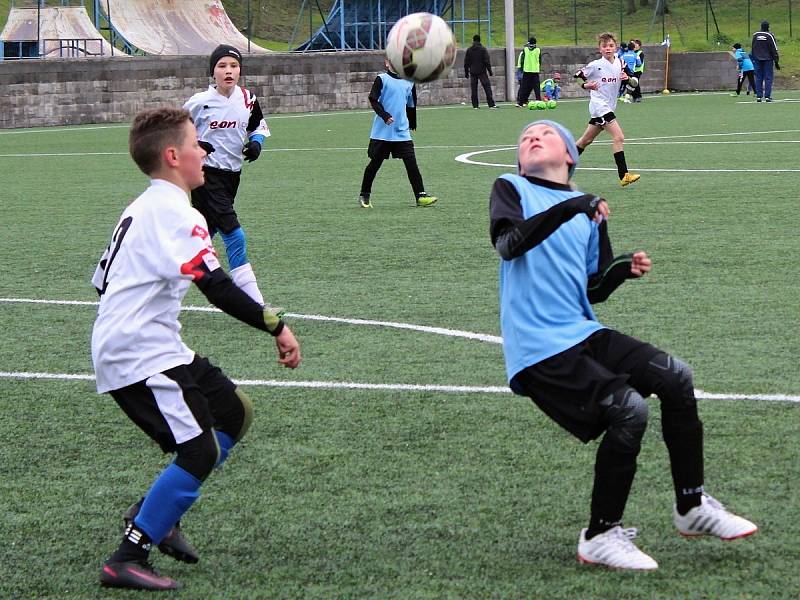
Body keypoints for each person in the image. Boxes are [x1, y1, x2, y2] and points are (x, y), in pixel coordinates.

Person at [489, 118, 758, 571]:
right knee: (629, 409)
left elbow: (592, 288)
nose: (532, 137)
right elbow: (509, 244)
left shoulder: (589, 210)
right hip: (539, 347)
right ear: (519, 159)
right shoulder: (511, 188)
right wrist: (574, 206)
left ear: (569, 155)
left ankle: (691, 507)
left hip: (582, 332)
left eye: (545, 133)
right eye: (524, 138)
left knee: (676, 376)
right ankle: (600, 534)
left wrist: (621, 270)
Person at [92, 107, 301, 591]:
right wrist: (276, 326)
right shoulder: (174, 212)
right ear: (172, 156)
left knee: (234, 413)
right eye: (195, 143)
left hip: (152, 342)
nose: (203, 150)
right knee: (200, 449)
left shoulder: (142, 206)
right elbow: (216, 286)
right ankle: (128, 553)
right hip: (138, 351)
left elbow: (102, 281)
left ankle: (154, 512)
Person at [184, 44, 271, 306]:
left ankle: (154, 294)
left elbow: (258, 126)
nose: (228, 71)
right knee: (234, 235)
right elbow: (176, 132)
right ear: (213, 72)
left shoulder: (248, 99)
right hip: (205, 176)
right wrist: (195, 146)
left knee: (199, 242)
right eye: (221, 66)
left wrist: (256, 144)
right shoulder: (199, 103)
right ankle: (256, 305)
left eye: (233, 66)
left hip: (232, 177)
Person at [358, 60, 437, 208]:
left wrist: (412, 123)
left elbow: (411, 104)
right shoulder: (382, 79)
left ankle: (420, 196)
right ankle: (364, 194)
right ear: (387, 63)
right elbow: (373, 99)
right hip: (382, 133)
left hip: (401, 132)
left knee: (411, 163)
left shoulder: (409, 82)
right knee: (374, 164)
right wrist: (385, 115)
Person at [573, 32, 640, 187]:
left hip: (608, 105)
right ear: (600, 49)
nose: (608, 48)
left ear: (615, 47)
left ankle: (562, 165)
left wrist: (628, 79)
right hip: (599, 105)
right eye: (604, 46)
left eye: (611, 45)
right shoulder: (596, 65)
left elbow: (635, 83)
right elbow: (577, 76)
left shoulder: (621, 63)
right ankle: (624, 175)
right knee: (619, 137)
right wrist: (585, 85)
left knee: (585, 141)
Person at [464, 34, 497, 109]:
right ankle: (491, 104)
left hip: (472, 72)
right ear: (479, 40)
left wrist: (466, 72)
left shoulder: (469, 50)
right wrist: (490, 71)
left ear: (473, 40)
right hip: (482, 71)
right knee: (487, 88)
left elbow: (466, 62)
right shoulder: (483, 49)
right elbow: (487, 61)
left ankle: (475, 105)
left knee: (474, 89)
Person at [751, 21, 780, 102]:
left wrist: (753, 58)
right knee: (768, 78)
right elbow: (774, 49)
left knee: (758, 77)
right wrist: (776, 61)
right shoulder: (769, 35)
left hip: (757, 59)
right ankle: (767, 96)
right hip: (768, 59)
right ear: (768, 27)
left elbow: (753, 47)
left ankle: (759, 96)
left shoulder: (755, 35)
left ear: (761, 26)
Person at [516, 37, 542, 107]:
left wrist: (521, 69)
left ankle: (520, 102)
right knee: (536, 87)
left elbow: (522, 60)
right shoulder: (538, 50)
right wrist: (538, 67)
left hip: (527, 71)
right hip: (535, 71)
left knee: (524, 87)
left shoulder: (525, 49)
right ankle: (538, 100)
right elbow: (539, 60)